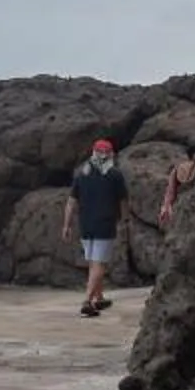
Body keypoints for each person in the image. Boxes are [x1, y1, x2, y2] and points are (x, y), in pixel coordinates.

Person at [60, 136, 128, 317]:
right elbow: (123, 201)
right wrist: (125, 219)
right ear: (110, 154)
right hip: (105, 225)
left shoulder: (82, 173)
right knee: (99, 264)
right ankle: (87, 301)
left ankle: (99, 298)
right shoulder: (115, 175)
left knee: (93, 262)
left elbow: (71, 201)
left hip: (86, 225)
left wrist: (66, 225)